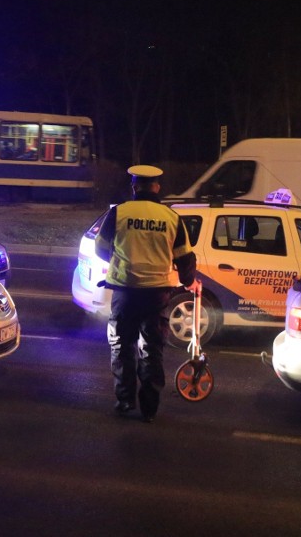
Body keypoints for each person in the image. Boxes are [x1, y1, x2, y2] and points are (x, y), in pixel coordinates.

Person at [95, 165, 199, 423]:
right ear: (157, 187)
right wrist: (189, 281)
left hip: (125, 292)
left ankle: (125, 400)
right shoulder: (171, 217)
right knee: (152, 349)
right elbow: (185, 257)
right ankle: (149, 408)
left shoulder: (118, 213)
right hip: (157, 295)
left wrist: (121, 260)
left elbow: (100, 249)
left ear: (134, 187)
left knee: (122, 346)